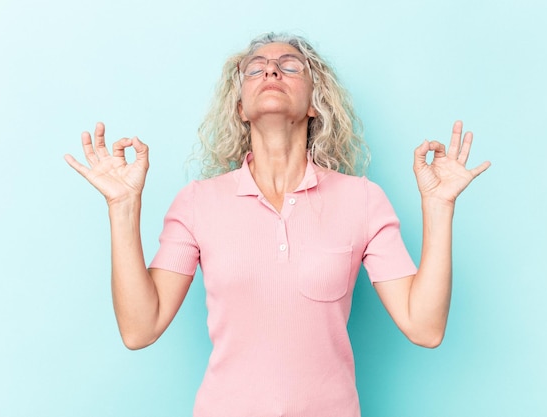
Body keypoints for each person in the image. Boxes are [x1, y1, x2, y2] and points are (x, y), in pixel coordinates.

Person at [65, 32, 490, 417]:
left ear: (313, 103)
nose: (271, 69)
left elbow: (425, 326)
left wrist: (438, 206)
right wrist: (122, 205)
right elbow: (140, 328)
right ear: (240, 108)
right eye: (255, 67)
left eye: (290, 65)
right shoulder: (199, 202)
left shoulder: (361, 199)